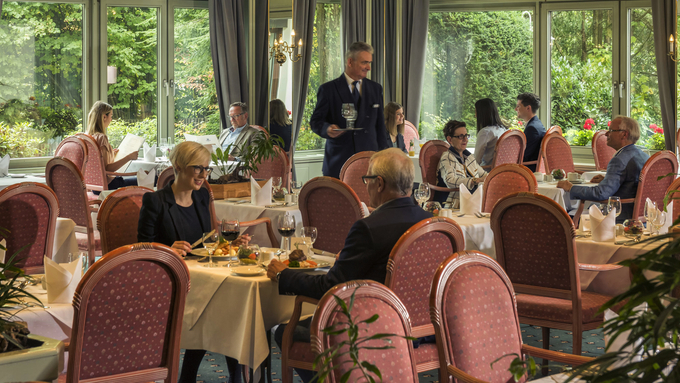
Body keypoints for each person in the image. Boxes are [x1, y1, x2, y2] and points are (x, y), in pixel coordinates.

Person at [267, 148, 431, 379]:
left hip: (373, 330)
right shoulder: (431, 223)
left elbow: (332, 287)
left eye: (368, 180)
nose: (366, 186)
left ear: (380, 183)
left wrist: (284, 275)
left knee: (286, 331)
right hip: (424, 330)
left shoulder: (369, 228)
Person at [137, 141, 250, 383]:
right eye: (198, 168)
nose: (203, 175)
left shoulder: (200, 199)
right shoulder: (155, 202)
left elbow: (208, 242)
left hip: (202, 278)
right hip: (171, 283)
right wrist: (167, 249)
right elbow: (141, 251)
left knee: (234, 304)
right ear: (178, 166)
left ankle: (226, 376)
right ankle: (229, 377)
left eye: (206, 169)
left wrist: (230, 244)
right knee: (224, 305)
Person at [309, 41, 388, 178]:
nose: (368, 67)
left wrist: (386, 156)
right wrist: (327, 129)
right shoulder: (328, 90)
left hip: (370, 162)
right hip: (338, 161)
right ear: (350, 62)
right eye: (364, 62)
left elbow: (380, 126)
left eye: (370, 63)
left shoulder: (375, 89)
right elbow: (316, 121)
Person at [557, 116, 648, 221]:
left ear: (624, 134)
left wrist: (571, 188)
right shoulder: (643, 155)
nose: (606, 134)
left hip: (619, 217)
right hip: (640, 216)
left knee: (562, 215)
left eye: (611, 130)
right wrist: (607, 179)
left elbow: (600, 193)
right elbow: (631, 182)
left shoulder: (619, 160)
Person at [85, 101, 138, 189]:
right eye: (111, 116)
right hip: (109, 186)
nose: (111, 119)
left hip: (95, 187)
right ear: (104, 117)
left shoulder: (88, 137)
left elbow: (98, 162)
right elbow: (108, 169)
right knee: (153, 179)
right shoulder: (102, 138)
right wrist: (129, 157)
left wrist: (110, 154)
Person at [437, 119, 487, 208]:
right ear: (450, 139)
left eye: (466, 136)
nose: (465, 140)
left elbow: (483, 175)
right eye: (460, 136)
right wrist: (474, 181)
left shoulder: (469, 157)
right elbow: (450, 181)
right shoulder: (447, 157)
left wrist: (494, 178)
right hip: (454, 203)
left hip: (473, 201)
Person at [474, 98, 507, 168]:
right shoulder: (504, 130)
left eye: (476, 112)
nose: (475, 115)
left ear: (481, 114)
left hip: (486, 173)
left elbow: (476, 160)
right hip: (503, 171)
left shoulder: (485, 132)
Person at [516, 92, 545, 172]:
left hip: (528, 171)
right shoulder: (538, 124)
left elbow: (524, 156)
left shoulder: (532, 129)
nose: (516, 109)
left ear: (528, 108)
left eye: (518, 106)